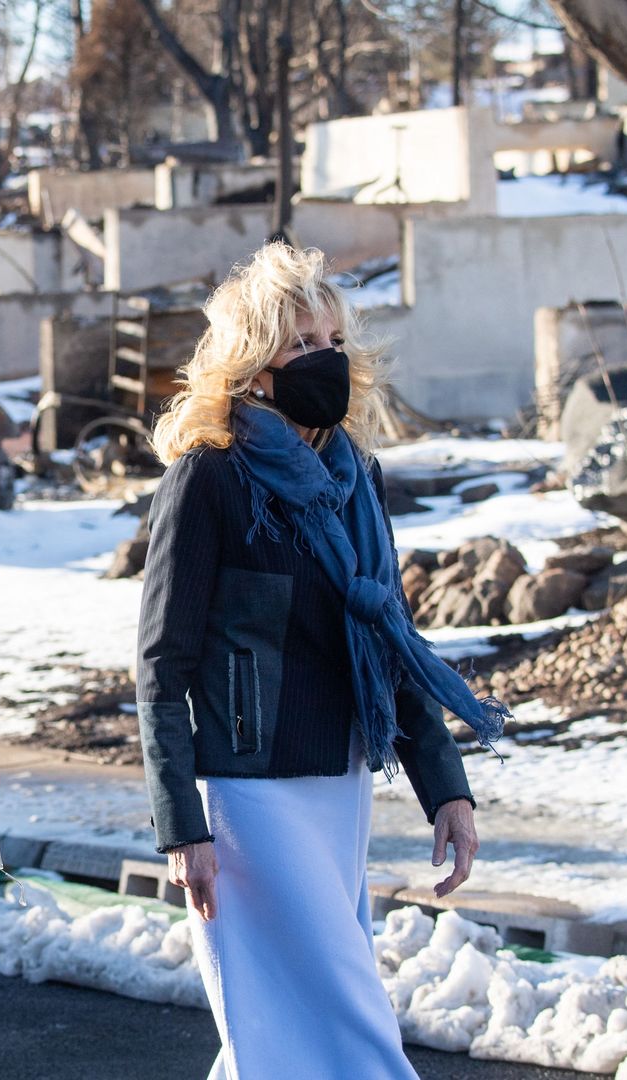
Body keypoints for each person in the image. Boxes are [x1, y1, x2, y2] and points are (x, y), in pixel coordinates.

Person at [137, 242, 504, 1079]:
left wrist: (444, 784)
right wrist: (179, 823)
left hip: (338, 779)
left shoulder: (355, 478)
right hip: (246, 791)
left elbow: (392, 637)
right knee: (337, 1012)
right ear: (253, 364)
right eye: (301, 343)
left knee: (277, 1023)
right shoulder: (211, 477)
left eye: (332, 340)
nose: (324, 359)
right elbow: (162, 659)